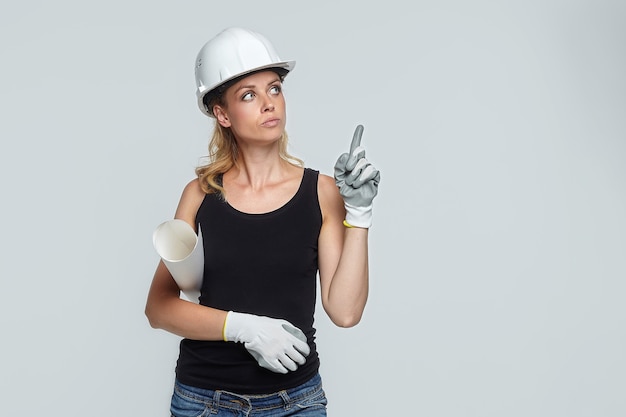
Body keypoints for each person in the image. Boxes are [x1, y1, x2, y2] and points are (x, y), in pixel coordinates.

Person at [145, 27, 380, 417]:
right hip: (205, 401)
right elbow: (159, 308)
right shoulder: (200, 194)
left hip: (297, 401)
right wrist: (242, 328)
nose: (269, 104)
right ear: (222, 114)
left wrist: (359, 214)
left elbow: (345, 312)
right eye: (248, 95)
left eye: (274, 88)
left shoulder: (322, 192)